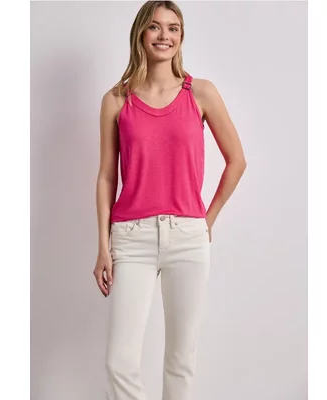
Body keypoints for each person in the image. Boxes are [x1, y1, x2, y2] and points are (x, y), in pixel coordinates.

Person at [94, 1, 247, 399]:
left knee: (181, 359)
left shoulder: (201, 93)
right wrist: (103, 246)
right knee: (119, 362)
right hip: (131, 238)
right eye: (155, 27)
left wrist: (207, 220)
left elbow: (237, 161)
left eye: (173, 28)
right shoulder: (117, 99)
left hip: (188, 237)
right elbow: (107, 175)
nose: (164, 35)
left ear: (181, 36)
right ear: (140, 34)